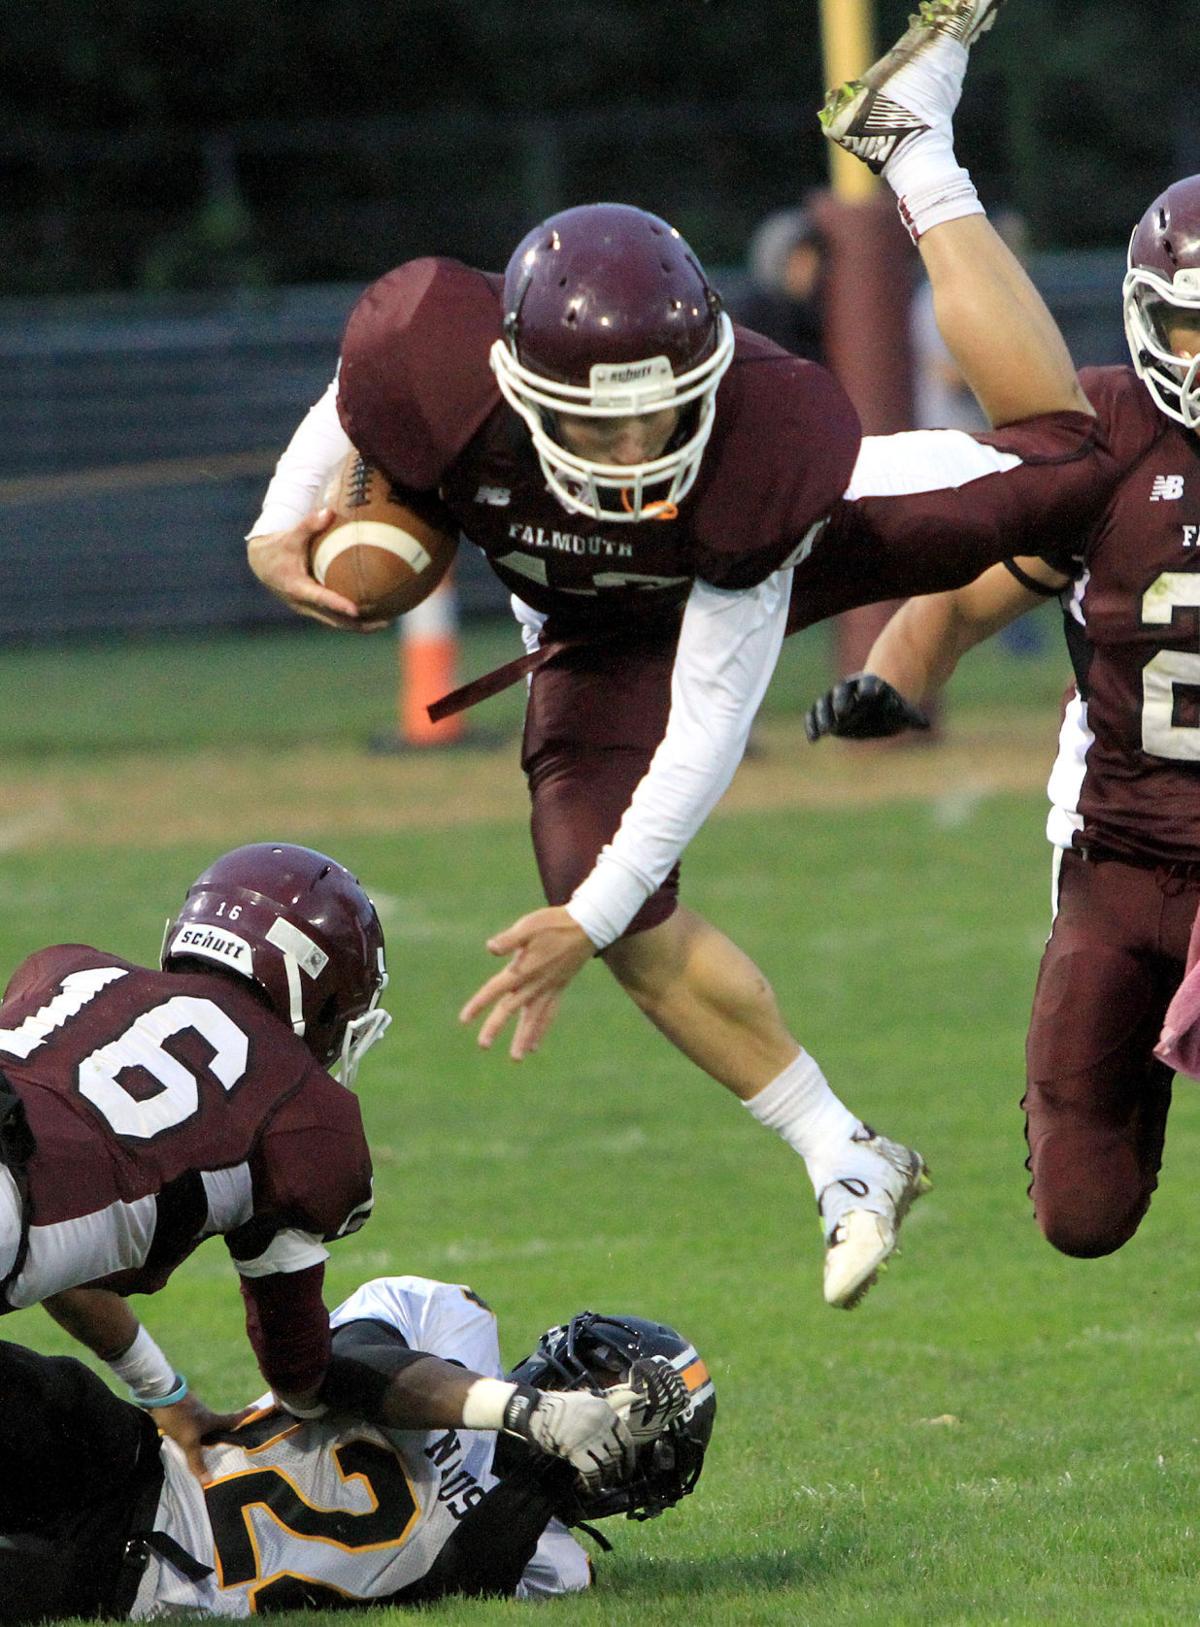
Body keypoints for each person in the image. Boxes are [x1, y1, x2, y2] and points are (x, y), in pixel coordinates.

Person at [245, 0, 1123, 1313]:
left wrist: (583, 919)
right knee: (592, 883)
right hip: (593, 635)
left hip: (767, 558)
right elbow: (354, 392)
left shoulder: (746, 453)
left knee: (1072, 466)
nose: (636, 443)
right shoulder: (436, 361)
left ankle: (914, 140)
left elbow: (711, 721)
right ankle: (848, 1151)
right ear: (517, 384)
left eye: (661, 403)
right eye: (600, 427)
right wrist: (277, 530)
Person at [804, 158, 1200, 1261]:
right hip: (1117, 856)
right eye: (1192, 331)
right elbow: (964, 602)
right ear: (1145, 323)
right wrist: (895, 679)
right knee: (1084, 1215)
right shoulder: (1107, 439)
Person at [0, 1273, 714, 1619]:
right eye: (597, 1376)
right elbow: (335, 1368)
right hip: (130, 1461)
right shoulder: (454, 1322)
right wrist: (523, 1412)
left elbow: (464, 1570)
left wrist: (542, 1475)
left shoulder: (549, 1561)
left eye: (615, 1397)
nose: (592, 1395)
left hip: (132, 1581)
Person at [0, 842, 391, 1468]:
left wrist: (165, 1391)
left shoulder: (68, 968)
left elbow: (53, 1236)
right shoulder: (302, 1111)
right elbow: (298, 1376)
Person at [728, 204, 826, 362]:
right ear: (775, 262)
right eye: (800, 261)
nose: (811, 270)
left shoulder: (815, 318)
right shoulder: (755, 318)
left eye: (814, 260)